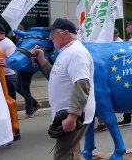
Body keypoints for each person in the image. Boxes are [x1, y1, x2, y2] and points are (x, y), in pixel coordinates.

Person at [31, 18, 95, 159]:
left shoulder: (77, 53)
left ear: (66, 33)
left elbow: (82, 85)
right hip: (67, 113)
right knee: (73, 154)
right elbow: (57, 76)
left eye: (53, 33)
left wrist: (72, 117)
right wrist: (42, 60)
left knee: (62, 156)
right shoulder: (66, 51)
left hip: (72, 114)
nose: (50, 37)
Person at [0, 23, 17, 100]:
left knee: (9, 99)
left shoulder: (8, 44)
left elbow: (15, 60)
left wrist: (7, 63)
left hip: (8, 77)